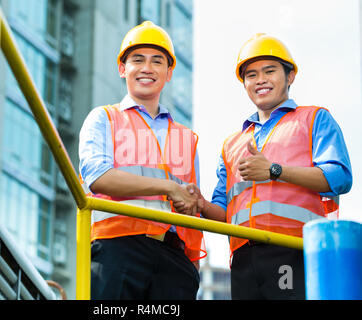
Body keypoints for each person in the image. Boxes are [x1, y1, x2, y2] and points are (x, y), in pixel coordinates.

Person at [174, 33, 352, 299]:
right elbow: (224, 212)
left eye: (269, 71)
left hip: (292, 250)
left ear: (290, 76)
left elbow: (340, 177)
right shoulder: (231, 145)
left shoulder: (314, 119)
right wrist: (201, 204)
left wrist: (274, 171)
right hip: (243, 259)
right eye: (251, 75)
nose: (260, 80)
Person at [78, 21, 206, 300]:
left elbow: (191, 217)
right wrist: (170, 187)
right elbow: (98, 177)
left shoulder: (187, 138)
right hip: (117, 249)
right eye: (138, 60)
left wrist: (191, 270)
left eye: (157, 61)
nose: (147, 68)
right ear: (122, 68)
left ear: (169, 72)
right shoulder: (104, 118)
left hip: (174, 261)